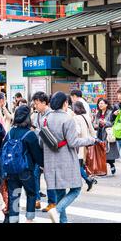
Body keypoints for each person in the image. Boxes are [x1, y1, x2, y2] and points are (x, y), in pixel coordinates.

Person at [42, 92, 97, 223]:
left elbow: (41, 141)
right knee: (76, 189)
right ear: (65, 103)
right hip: (66, 159)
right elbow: (73, 142)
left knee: (60, 193)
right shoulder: (67, 119)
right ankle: (57, 210)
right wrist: (90, 140)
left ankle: (63, 221)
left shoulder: (46, 118)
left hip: (50, 161)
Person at [2, 105, 44, 223]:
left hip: (11, 171)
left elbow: (3, 150)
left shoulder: (10, 133)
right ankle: (29, 220)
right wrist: (42, 164)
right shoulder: (29, 134)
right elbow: (37, 155)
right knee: (31, 194)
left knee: (14, 195)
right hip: (26, 171)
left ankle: (13, 219)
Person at [31, 91, 56, 212]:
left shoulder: (51, 115)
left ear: (44, 102)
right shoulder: (38, 115)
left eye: (37, 103)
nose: (35, 106)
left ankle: (52, 202)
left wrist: (36, 131)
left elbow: (48, 134)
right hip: (39, 149)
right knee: (35, 174)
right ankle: (37, 200)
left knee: (49, 177)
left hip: (49, 150)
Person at [72, 101, 98, 191]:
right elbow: (92, 130)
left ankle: (87, 179)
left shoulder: (75, 118)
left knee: (76, 165)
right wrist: (95, 139)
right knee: (80, 164)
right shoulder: (87, 117)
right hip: (87, 144)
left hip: (79, 145)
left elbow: (77, 132)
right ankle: (87, 179)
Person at [94, 98, 118, 175]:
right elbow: (94, 124)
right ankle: (103, 170)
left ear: (106, 104)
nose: (100, 105)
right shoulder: (97, 114)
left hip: (108, 134)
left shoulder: (111, 113)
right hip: (100, 133)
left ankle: (111, 165)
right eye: (99, 103)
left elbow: (113, 123)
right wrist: (98, 125)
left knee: (107, 153)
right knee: (101, 152)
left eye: (102, 103)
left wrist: (105, 123)